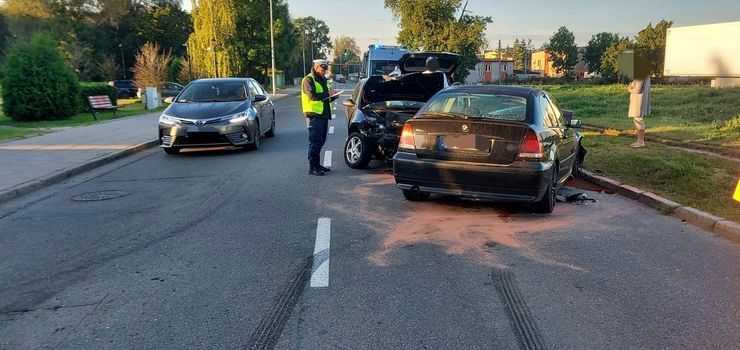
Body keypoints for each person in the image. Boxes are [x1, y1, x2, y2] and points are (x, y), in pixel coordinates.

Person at [302, 59, 337, 176]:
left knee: (321, 141)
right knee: (315, 141)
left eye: (325, 70)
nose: (324, 72)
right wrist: (328, 94)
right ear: (316, 67)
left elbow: (325, 98)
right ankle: (312, 167)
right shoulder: (308, 79)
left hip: (323, 114)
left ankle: (317, 164)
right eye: (322, 70)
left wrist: (334, 97)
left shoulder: (323, 80)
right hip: (313, 115)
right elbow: (312, 96)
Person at [628, 76, 650, 148]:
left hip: (638, 100)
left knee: (638, 120)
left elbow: (637, 89)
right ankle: (639, 141)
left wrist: (630, 88)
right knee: (638, 119)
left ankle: (640, 141)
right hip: (641, 99)